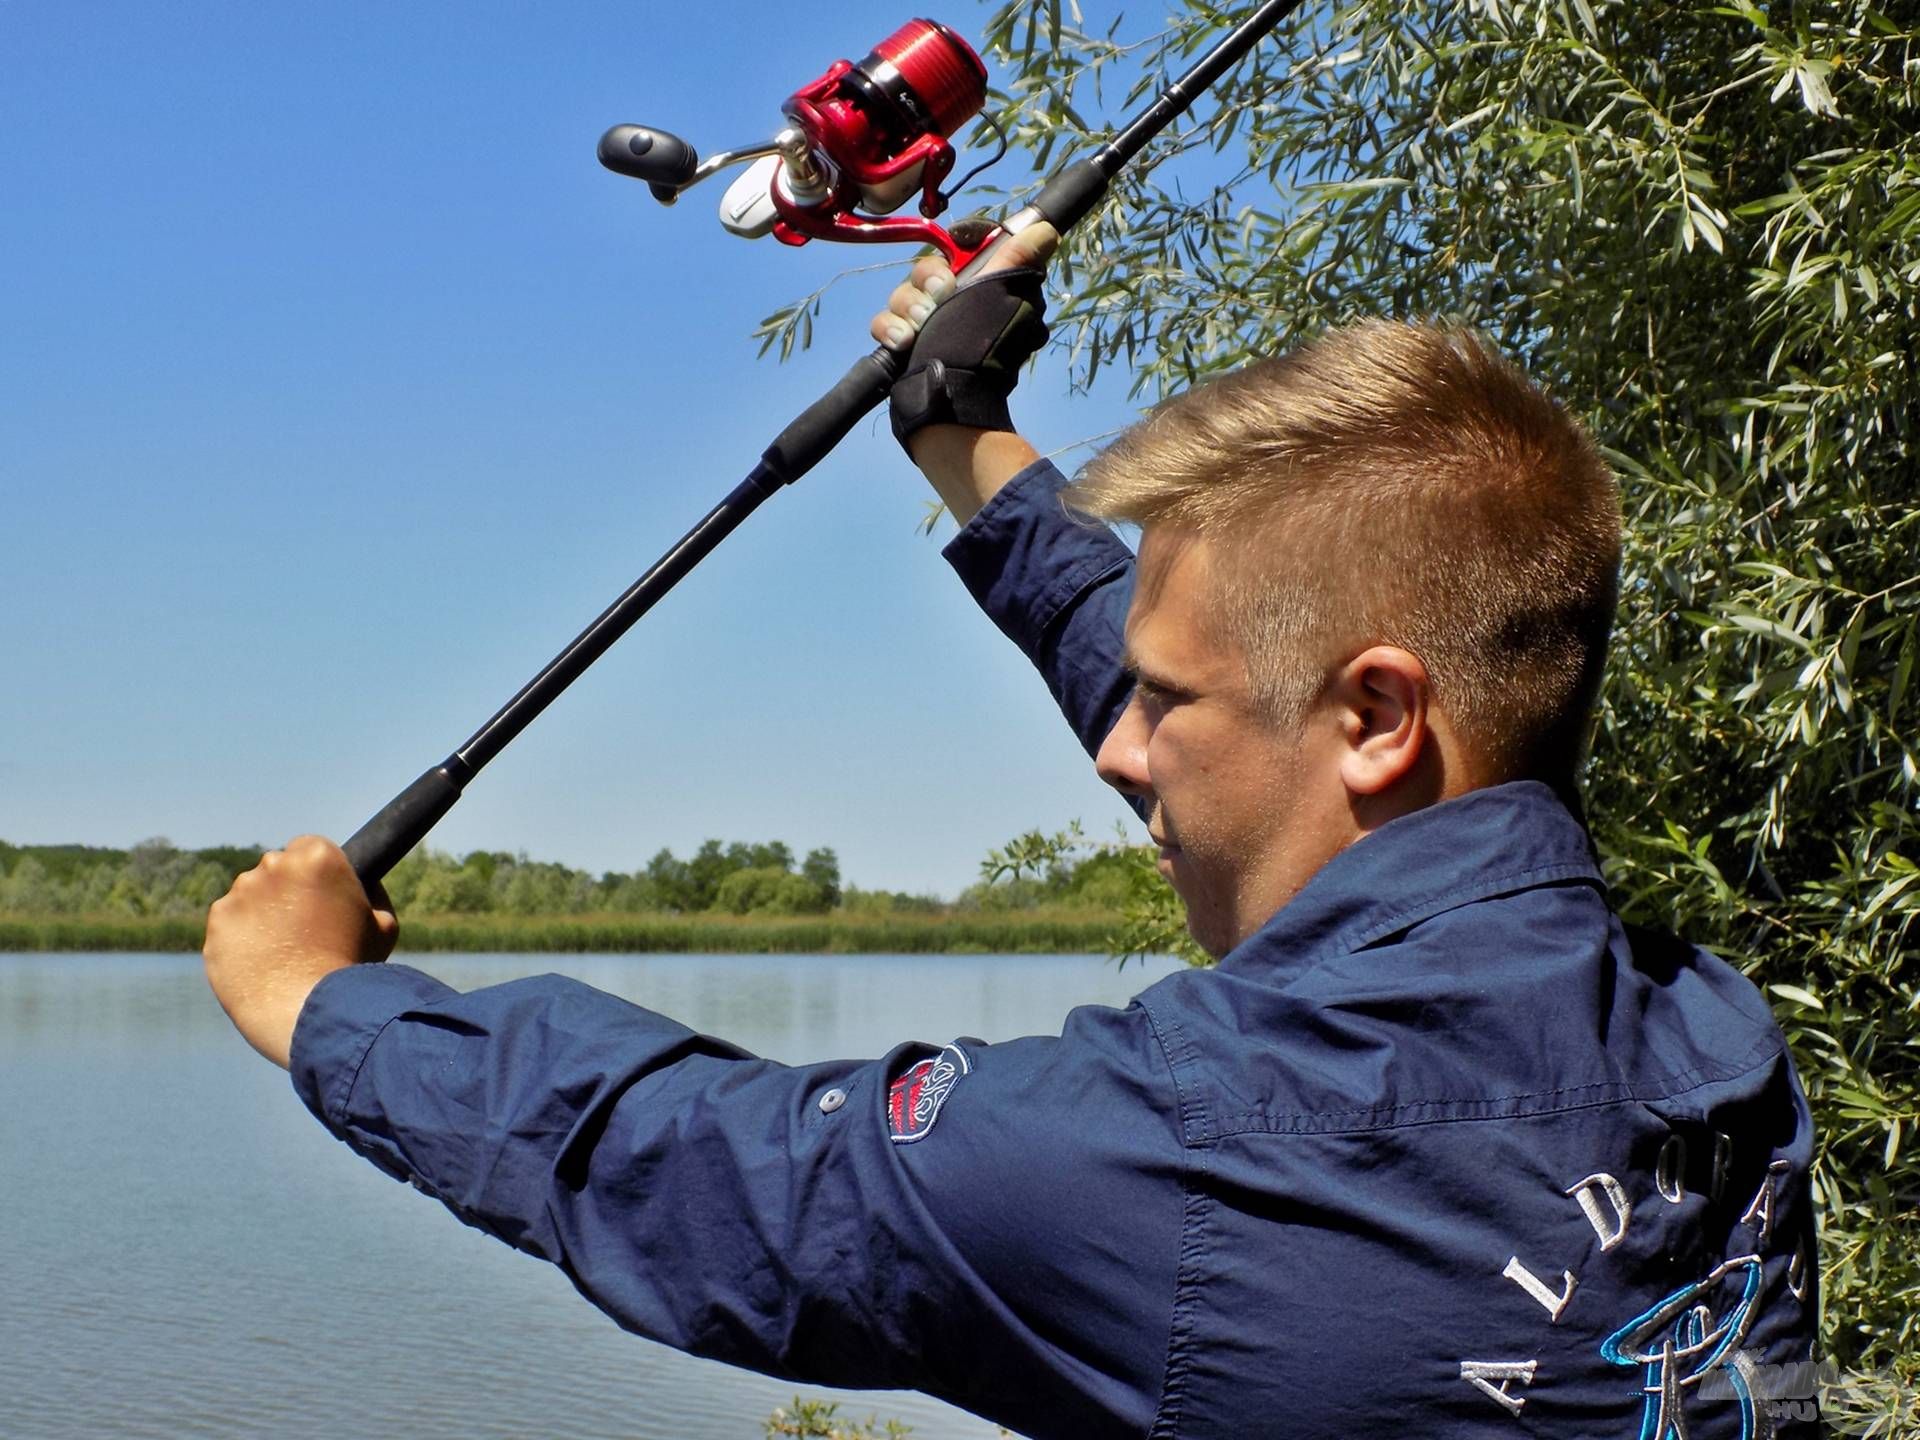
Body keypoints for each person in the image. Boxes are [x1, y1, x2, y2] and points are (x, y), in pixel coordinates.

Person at [204, 226, 1820, 1438]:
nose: (1117, 750)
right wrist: (963, 435)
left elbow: (704, 1166)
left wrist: (328, 1007)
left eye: (1160, 703)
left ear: (1379, 719)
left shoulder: (1183, 1160)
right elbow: (1252, 695)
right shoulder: (1708, 1048)